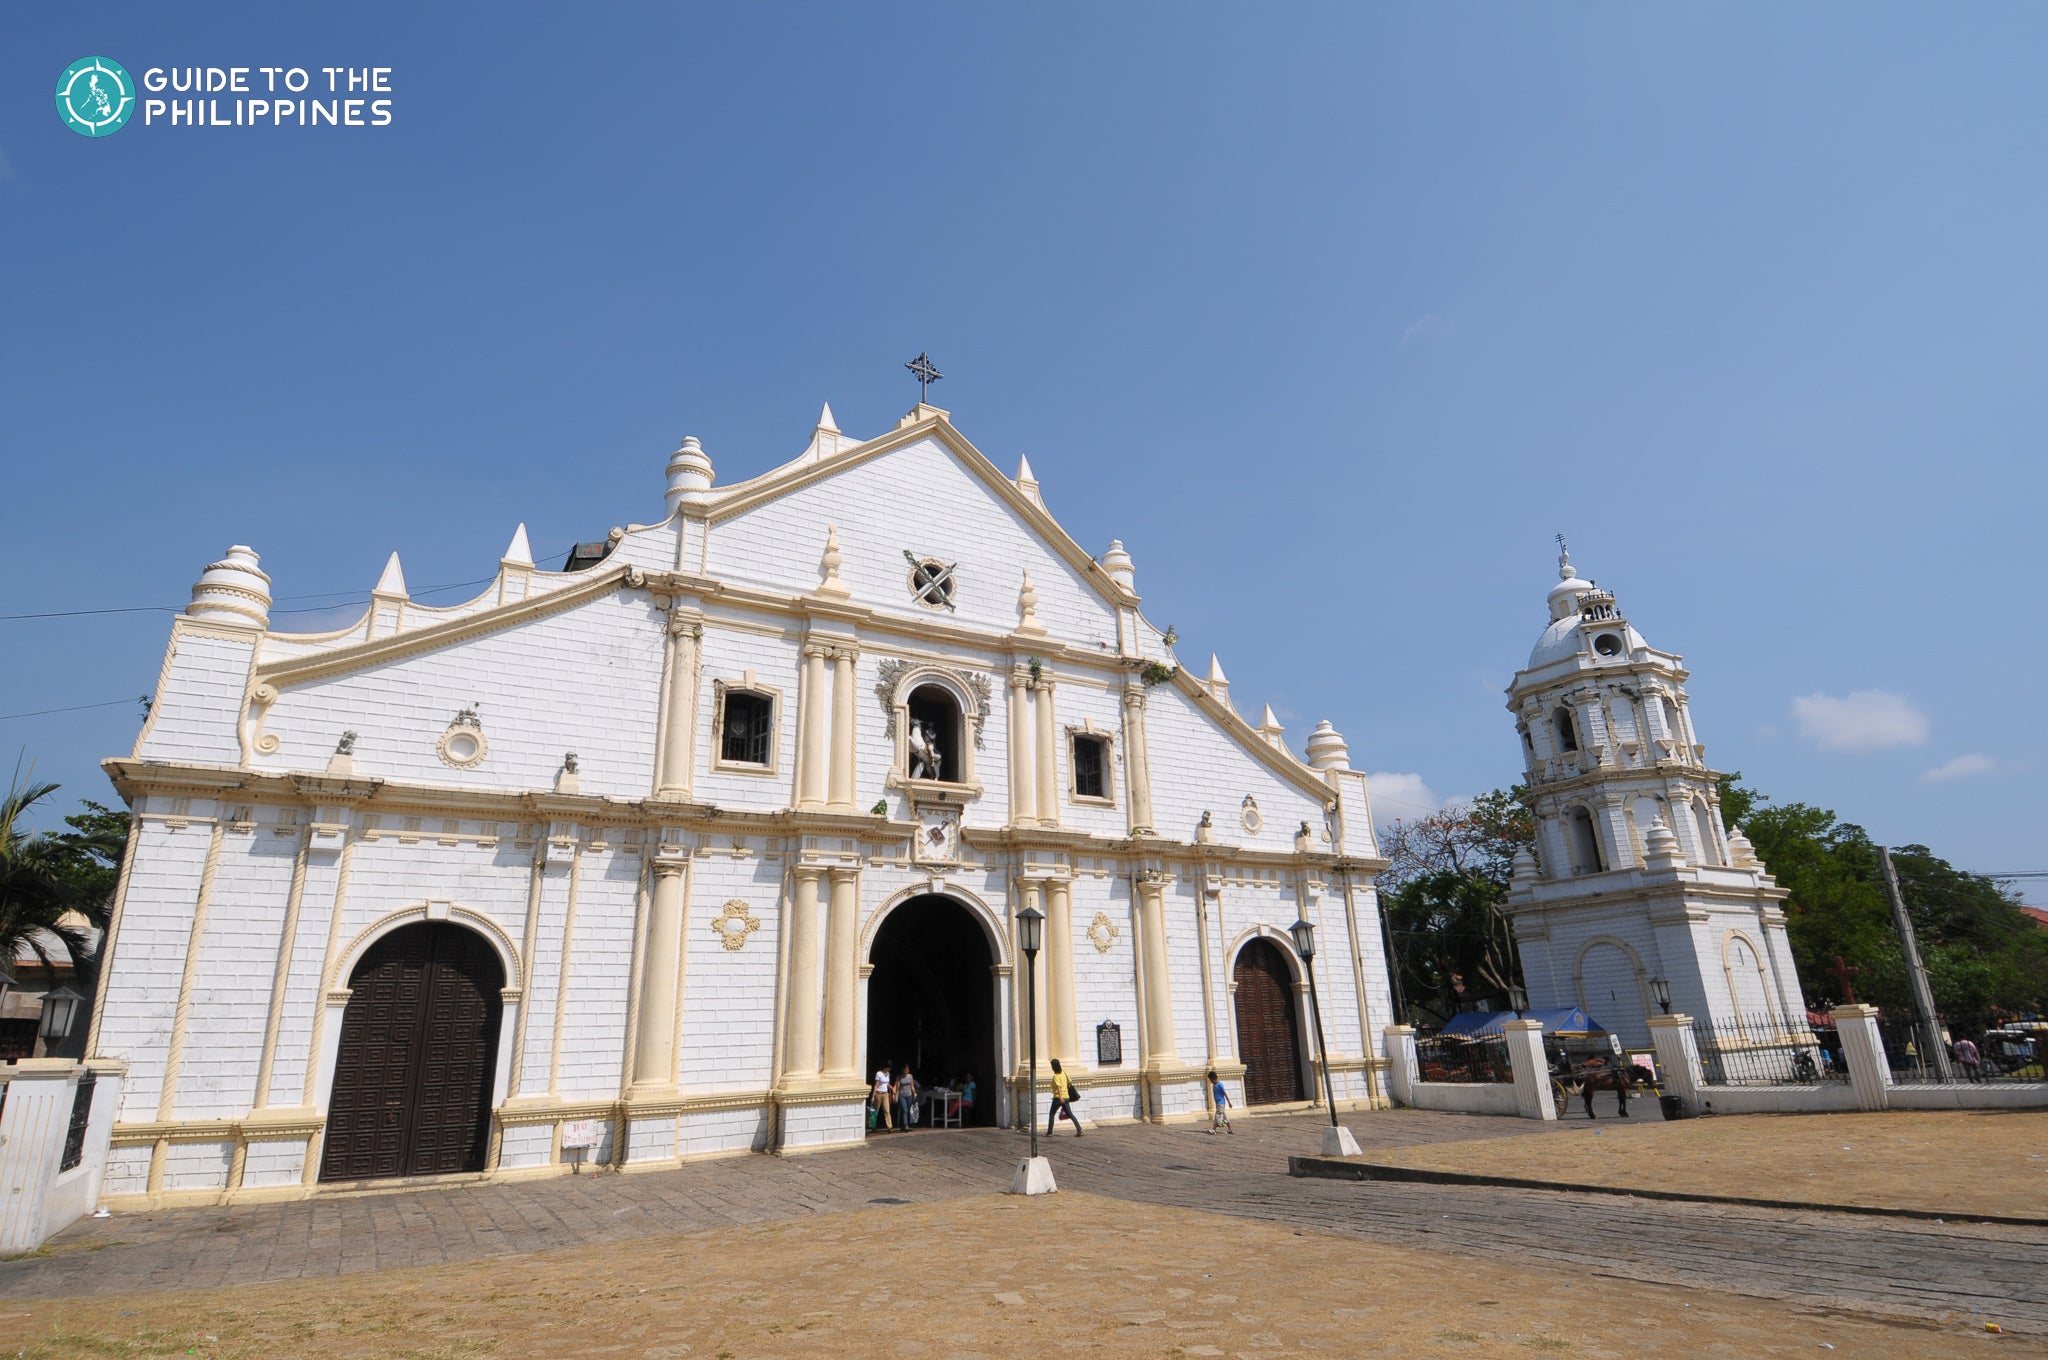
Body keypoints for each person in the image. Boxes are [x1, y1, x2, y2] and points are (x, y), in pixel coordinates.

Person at [1046, 1058, 1082, 1137]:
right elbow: (1069, 1082)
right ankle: (1079, 1130)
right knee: (1070, 1114)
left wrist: (1060, 1097)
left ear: (1053, 1067)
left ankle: (1049, 1132)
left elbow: (1059, 1087)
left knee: (1051, 1114)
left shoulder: (1056, 1076)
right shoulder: (1063, 1073)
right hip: (1067, 1097)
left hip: (1058, 1098)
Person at [1207, 1068, 1234, 1134]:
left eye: (1211, 1079)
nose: (1210, 1081)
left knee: (1218, 1115)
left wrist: (1229, 1103)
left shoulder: (1219, 1085)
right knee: (1224, 1116)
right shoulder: (1214, 1085)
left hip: (1220, 1103)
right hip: (1218, 1103)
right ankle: (1230, 1129)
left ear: (1213, 1078)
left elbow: (1224, 1093)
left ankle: (1214, 1130)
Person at [871, 1064, 895, 1132]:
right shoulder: (879, 1073)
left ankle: (889, 1127)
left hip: (885, 1094)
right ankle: (873, 1126)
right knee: (876, 1111)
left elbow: (887, 1083)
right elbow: (876, 1085)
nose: (889, 1070)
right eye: (888, 1068)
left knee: (887, 1110)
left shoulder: (888, 1074)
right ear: (885, 1067)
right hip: (878, 1093)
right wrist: (873, 1096)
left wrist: (892, 1088)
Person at [896, 1065, 920, 1130]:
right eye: (906, 1068)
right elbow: (896, 1086)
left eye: (908, 1068)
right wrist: (894, 1093)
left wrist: (914, 1093)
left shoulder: (910, 1076)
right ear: (902, 1070)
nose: (907, 1070)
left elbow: (912, 1086)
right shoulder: (899, 1077)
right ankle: (906, 1125)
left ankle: (902, 1125)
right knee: (904, 1109)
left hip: (909, 1095)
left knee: (907, 1110)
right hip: (902, 1095)